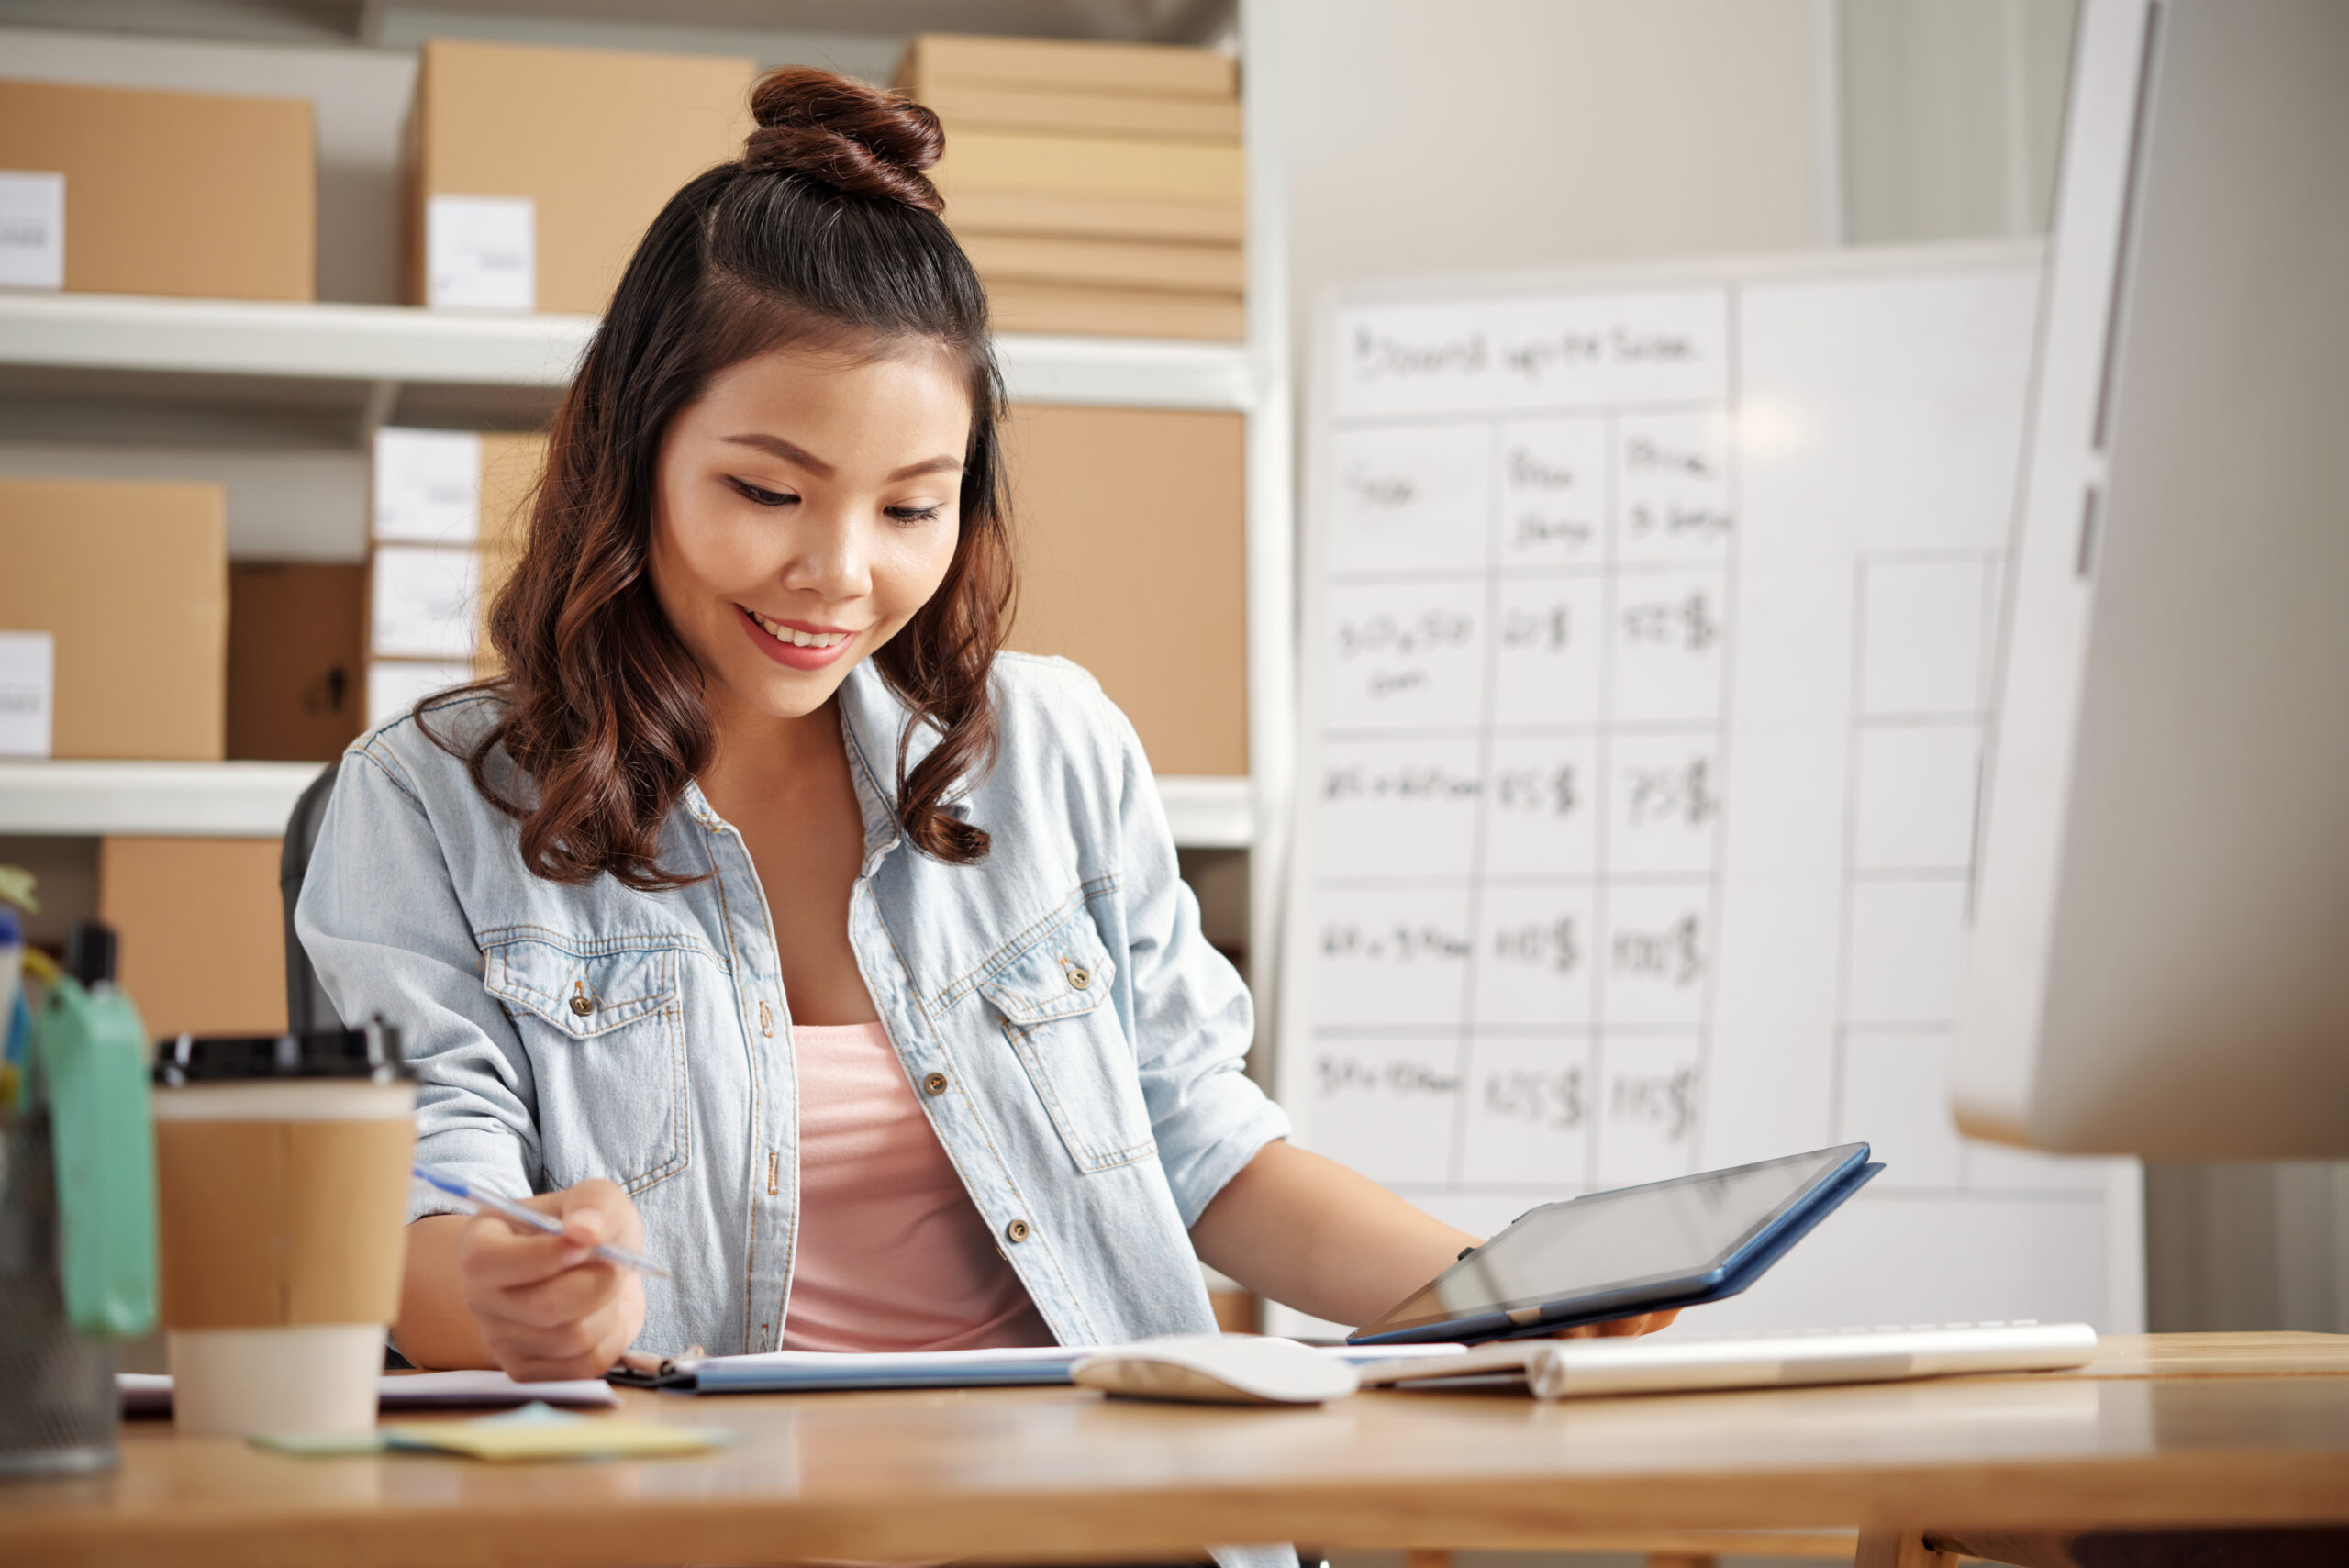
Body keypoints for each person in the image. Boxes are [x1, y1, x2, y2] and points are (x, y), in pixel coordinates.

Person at [297, 66, 1673, 1383]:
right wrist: (513, 1292)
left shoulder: (1054, 746)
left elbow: (1202, 1145)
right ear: (633, 450)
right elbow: (422, 1214)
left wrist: (1511, 1294)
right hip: (716, 1516)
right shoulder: (426, 801)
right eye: (769, 492)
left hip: (1094, 1499)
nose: (839, 573)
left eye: (909, 508)